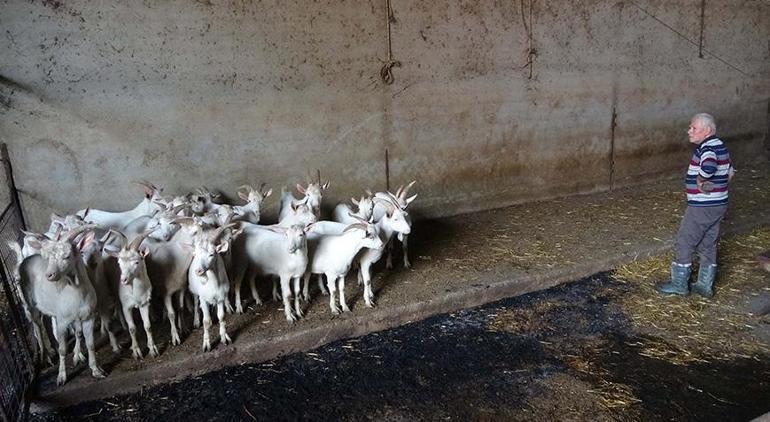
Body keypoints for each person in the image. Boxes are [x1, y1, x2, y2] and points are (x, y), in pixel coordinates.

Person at [656, 113, 732, 298]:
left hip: (703, 206)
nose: (689, 131)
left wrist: (700, 179)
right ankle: (705, 285)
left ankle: (679, 284)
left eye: (693, 128)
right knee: (708, 243)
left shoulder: (707, 149)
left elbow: (709, 167)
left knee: (685, 241)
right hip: (718, 203)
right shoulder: (720, 146)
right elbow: (730, 171)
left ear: (706, 131)